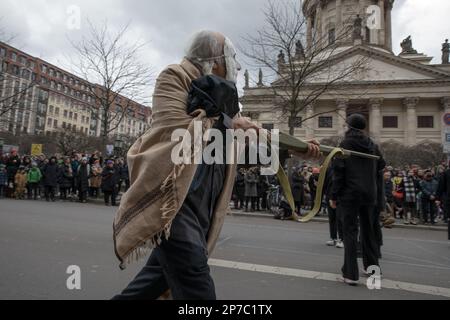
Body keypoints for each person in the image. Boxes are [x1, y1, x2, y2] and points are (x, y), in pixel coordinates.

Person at [112, 30, 320, 300]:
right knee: (197, 286)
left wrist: (296, 149)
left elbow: (238, 152)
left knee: (152, 283)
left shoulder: (228, 100)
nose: (236, 63)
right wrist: (229, 123)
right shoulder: (174, 76)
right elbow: (177, 132)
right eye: (231, 57)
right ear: (216, 59)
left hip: (202, 208)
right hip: (173, 202)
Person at [330, 114, 385, 286]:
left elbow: (338, 171)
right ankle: (373, 270)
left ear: (349, 126)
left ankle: (350, 274)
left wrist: (333, 195)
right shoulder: (372, 145)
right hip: (369, 194)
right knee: (369, 232)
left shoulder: (345, 144)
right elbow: (382, 165)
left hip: (350, 194)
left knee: (350, 233)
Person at [324, 165, 343, 248]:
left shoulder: (343, 168)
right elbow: (326, 183)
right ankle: (333, 237)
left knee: (339, 218)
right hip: (330, 196)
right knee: (332, 218)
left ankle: (341, 239)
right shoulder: (329, 169)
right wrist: (326, 195)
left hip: (340, 197)